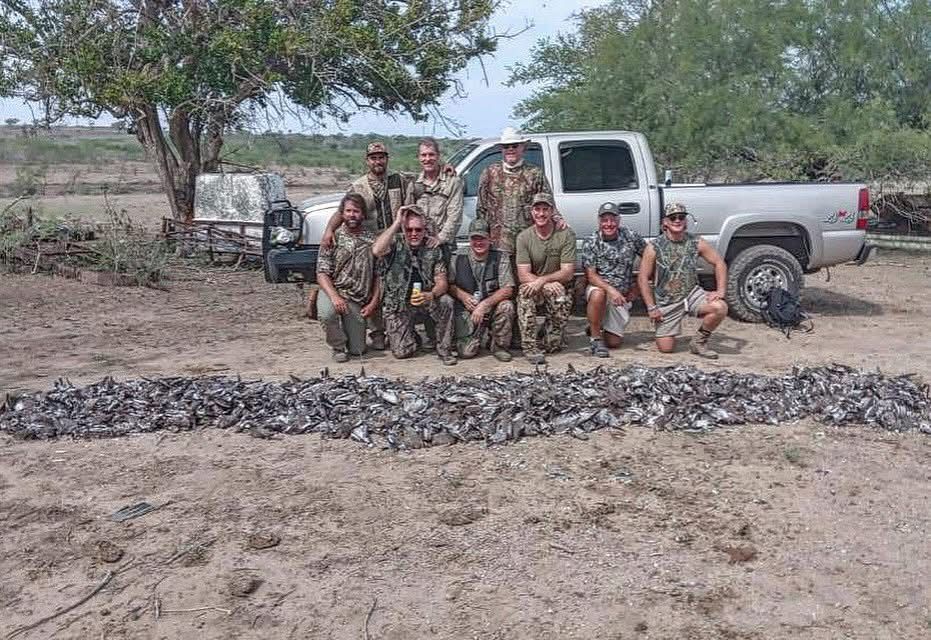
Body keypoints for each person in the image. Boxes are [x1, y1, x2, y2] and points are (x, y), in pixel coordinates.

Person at [637, 202, 729, 359]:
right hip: (667, 301)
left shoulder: (696, 242)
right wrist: (652, 307)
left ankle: (699, 341)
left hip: (692, 294)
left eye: (681, 217)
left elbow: (719, 263)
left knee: (720, 307)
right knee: (666, 349)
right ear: (665, 222)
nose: (677, 220)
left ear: (686, 221)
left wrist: (720, 290)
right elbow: (643, 278)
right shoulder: (654, 247)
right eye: (673, 218)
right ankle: (665, 331)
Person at [372, 205, 457, 366]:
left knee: (446, 301)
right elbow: (377, 250)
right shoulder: (394, 243)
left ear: (425, 230)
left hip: (425, 300)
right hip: (399, 304)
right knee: (402, 352)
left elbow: (442, 282)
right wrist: (397, 222)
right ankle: (412, 337)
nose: (413, 234)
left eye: (418, 230)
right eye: (409, 229)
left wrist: (431, 295)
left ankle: (444, 349)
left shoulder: (433, 249)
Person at [315, 194, 382, 362]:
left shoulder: (373, 240)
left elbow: (379, 275)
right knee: (327, 314)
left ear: (363, 215)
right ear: (342, 214)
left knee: (358, 350)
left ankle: (351, 332)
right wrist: (335, 297)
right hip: (334, 290)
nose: (352, 215)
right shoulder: (332, 238)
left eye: (356, 211)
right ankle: (337, 346)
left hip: (357, 298)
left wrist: (373, 303)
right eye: (348, 211)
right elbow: (321, 272)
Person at [514, 193, 576, 364]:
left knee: (552, 346)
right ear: (532, 212)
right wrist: (541, 284)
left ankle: (551, 335)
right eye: (537, 209)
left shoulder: (566, 234)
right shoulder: (524, 237)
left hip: (558, 288)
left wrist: (543, 281)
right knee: (525, 292)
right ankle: (529, 346)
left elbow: (568, 272)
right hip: (536, 286)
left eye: (545, 209)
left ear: (551, 212)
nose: (541, 214)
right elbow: (523, 274)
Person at [582, 202, 646, 357]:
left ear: (619, 220)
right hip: (601, 290)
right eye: (605, 220)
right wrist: (611, 290)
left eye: (612, 219)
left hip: (622, 297)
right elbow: (591, 275)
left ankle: (595, 325)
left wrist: (637, 288)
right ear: (599, 221)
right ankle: (595, 339)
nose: (608, 224)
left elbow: (650, 259)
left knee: (614, 343)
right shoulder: (591, 241)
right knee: (598, 294)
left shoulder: (631, 236)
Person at [476, 127, 552, 255]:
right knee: (503, 275)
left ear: (523, 147)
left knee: (526, 275)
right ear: (501, 149)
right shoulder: (489, 172)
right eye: (506, 146)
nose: (510, 149)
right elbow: (481, 209)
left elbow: (547, 207)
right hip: (497, 246)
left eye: (515, 146)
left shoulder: (535, 173)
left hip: (528, 244)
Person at [448, 219, 516, 362]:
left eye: (482, 238)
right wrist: (462, 296)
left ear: (490, 239)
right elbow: (449, 285)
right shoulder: (457, 257)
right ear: (469, 239)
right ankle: (472, 337)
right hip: (468, 309)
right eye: (474, 238)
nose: (478, 243)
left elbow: (508, 289)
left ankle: (499, 346)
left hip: (490, 308)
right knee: (467, 353)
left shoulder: (500, 256)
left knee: (507, 306)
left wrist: (485, 305)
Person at [322, 141, 413, 242]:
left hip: (398, 240)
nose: (378, 162)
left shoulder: (400, 181)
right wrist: (329, 231)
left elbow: (413, 210)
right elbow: (341, 212)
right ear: (367, 161)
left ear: (387, 159)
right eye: (373, 158)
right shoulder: (358, 187)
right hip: (370, 242)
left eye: (381, 158)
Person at [411, 137, 464, 261]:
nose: (427, 159)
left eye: (431, 155)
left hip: (443, 246)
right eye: (423, 155)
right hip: (419, 245)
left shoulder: (453, 182)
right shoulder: (413, 183)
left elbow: (455, 216)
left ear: (438, 156)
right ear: (419, 157)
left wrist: (440, 239)